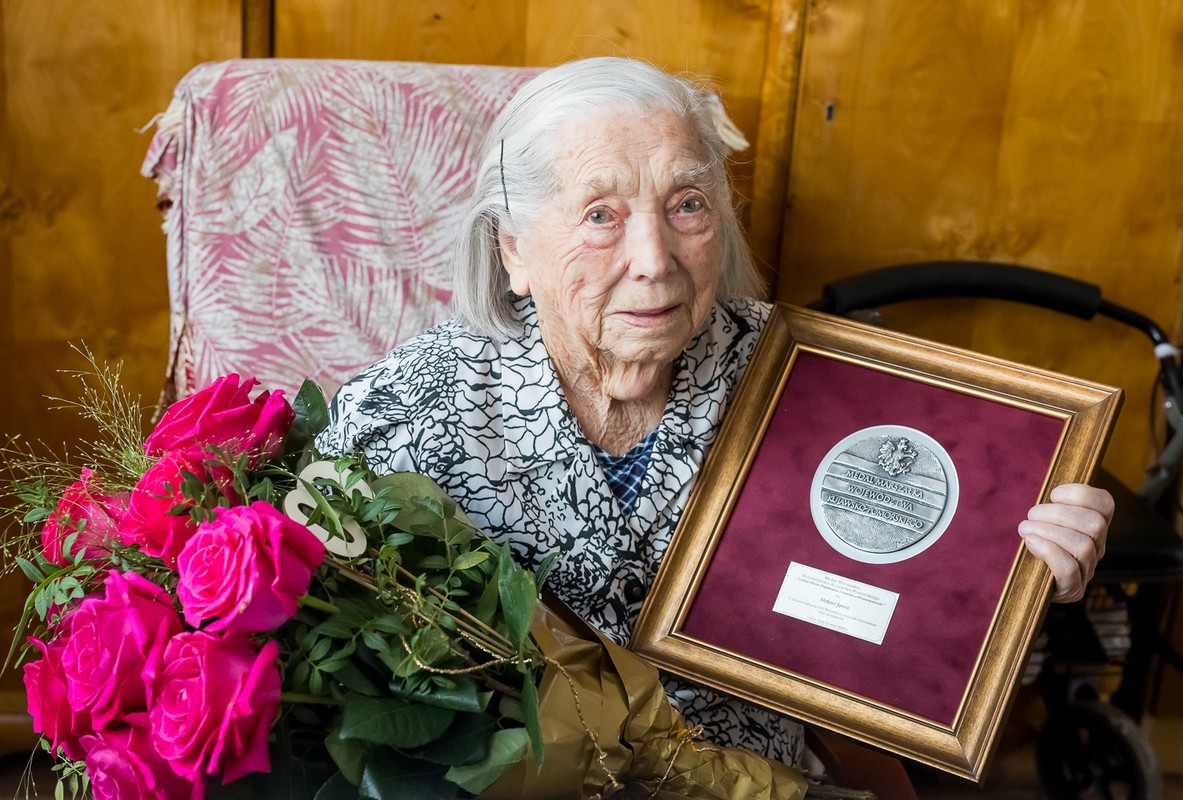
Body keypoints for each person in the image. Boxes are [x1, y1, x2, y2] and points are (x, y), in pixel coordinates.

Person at [316, 56, 1113, 765]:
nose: (655, 259)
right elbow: (342, 656)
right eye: (601, 215)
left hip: (758, 781)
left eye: (687, 204)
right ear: (514, 250)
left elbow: (920, 580)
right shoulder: (410, 412)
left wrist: (1028, 564)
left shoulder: (810, 377)